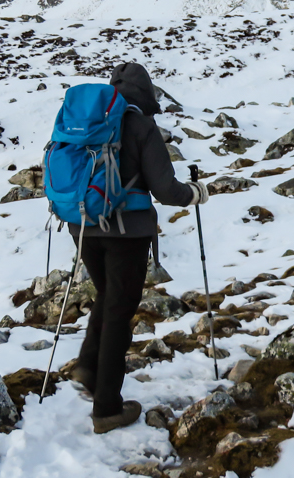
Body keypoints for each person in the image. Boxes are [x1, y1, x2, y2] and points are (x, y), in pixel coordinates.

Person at [67, 63, 209, 434]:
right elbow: (166, 190)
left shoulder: (90, 122)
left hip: (82, 225)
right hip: (126, 232)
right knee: (119, 311)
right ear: (145, 95)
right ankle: (107, 409)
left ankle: (88, 366)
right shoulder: (142, 127)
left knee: (107, 295)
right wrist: (195, 193)